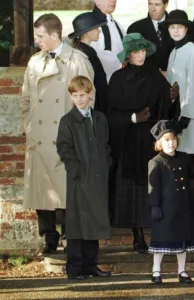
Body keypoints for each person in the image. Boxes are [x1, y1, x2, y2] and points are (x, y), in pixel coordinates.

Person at [20, 13, 94, 254]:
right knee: (42, 192)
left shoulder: (76, 60)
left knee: (66, 190)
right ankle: (49, 238)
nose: (37, 40)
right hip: (39, 137)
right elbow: (26, 99)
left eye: (41, 36)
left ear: (54, 35)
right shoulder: (34, 62)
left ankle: (69, 237)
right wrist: (28, 126)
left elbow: (87, 100)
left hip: (64, 137)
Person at [107, 33, 180, 253]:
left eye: (142, 51)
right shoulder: (118, 79)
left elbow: (164, 107)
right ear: (128, 54)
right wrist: (132, 117)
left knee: (153, 184)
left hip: (150, 139)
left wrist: (173, 98)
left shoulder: (154, 76)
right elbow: (110, 113)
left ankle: (158, 232)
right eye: (135, 51)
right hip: (128, 140)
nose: (140, 55)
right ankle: (137, 235)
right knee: (133, 189)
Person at [56, 76, 111, 280]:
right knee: (78, 223)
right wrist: (76, 170)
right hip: (79, 179)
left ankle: (90, 265)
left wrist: (106, 165)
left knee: (94, 222)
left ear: (90, 94)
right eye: (75, 96)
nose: (79, 99)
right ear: (70, 96)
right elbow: (64, 148)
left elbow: (105, 145)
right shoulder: (68, 121)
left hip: (98, 176)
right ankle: (75, 267)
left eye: (83, 95)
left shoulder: (99, 118)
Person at [148, 120, 194, 285]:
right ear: (159, 143)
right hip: (166, 209)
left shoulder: (184, 158)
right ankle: (156, 270)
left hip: (183, 207)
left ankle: (181, 270)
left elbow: (192, 175)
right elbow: (153, 186)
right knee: (161, 240)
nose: (171, 143)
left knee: (182, 240)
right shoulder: (156, 162)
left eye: (173, 139)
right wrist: (155, 206)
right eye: (167, 140)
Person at [166, 9, 194, 155]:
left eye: (180, 27)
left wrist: (185, 117)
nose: (176, 31)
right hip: (175, 111)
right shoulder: (173, 52)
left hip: (189, 114)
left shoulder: (191, 50)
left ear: (186, 29)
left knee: (188, 154)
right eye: (172, 27)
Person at [69, 12, 108, 114]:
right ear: (87, 32)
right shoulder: (81, 55)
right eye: (96, 28)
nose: (99, 31)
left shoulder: (88, 51)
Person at [127, 0, 174, 72]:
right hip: (145, 79)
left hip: (174, 79)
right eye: (150, 4)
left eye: (157, 5)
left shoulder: (178, 26)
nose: (152, 9)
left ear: (166, 5)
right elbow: (131, 61)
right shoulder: (134, 28)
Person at [91, 0, 125, 81]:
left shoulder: (117, 24)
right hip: (101, 81)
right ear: (96, 1)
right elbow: (93, 55)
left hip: (119, 79)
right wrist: (120, 65)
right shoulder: (91, 25)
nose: (113, 1)